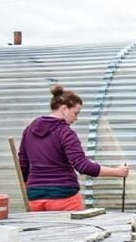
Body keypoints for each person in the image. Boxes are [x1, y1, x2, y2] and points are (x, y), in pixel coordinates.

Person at [18, 84, 130, 212]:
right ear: (64, 108)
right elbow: (82, 166)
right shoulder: (65, 132)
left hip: (35, 198)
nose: (76, 118)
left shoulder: (29, 130)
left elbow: (23, 166)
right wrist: (117, 172)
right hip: (64, 198)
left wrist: (35, 188)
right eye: (76, 113)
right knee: (73, 231)